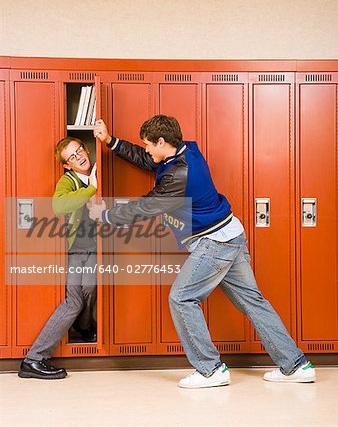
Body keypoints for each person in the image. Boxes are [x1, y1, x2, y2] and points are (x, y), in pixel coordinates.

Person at [90, 115, 316, 388]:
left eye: (149, 144)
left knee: (181, 298)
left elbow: (146, 207)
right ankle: (296, 365)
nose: (146, 148)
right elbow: (149, 160)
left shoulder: (180, 175)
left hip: (215, 243)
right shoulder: (186, 150)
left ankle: (210, 370)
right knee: (253, 302)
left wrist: (105, 216)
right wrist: (110, 142)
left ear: (162, 142)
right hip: (231, 233)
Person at [18, 138, 98, 380]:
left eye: (80, 150)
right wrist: (91, 188)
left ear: (86, 149)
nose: (79, 157)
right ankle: (34, 359)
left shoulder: (99, 169)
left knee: (90, 287)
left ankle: (83, 326)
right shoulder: (69, 180)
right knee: (74, 301)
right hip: (75, 249)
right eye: (72, 157)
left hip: (97, 248)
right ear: (67, 165)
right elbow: (59, 205)